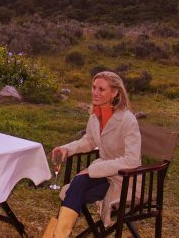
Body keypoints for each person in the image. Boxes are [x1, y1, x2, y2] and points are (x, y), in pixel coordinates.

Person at [42, 71, 141, 238]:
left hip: (124, 179)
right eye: (94, 88)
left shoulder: (127, 120)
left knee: (76, 188)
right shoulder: (96, 114)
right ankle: (58, 235)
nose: (95, 93)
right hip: (104, 174)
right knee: (78, 186)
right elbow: (89, 140)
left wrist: (93, 170)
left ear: (115, 92)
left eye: (101, 89)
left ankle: (55, 236)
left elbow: (131, 160)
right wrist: (67, 149)